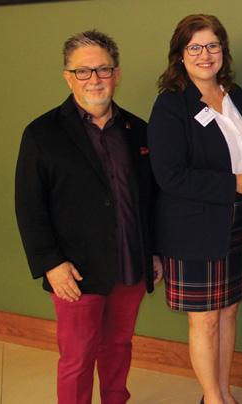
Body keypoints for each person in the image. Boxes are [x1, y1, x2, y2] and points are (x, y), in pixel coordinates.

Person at [14, 30, 161, 404]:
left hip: (130, 264)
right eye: (83, 71)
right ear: (68, 77)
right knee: (77, 358)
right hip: (75, 273)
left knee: (119, 346)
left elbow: (150, 200)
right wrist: (51, 264)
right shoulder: (42, 133)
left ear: (116, 74)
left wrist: (154, 252)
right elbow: (30, 207)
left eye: (103, 69)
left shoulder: (138, 130)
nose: (94, 79)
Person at [147, 14, 242, 404]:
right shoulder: (170, 104)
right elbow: (169, 175)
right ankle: (211, 398)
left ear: (223, 51)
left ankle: (224, 392)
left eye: (212, 45)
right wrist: (233, 184)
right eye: (194, 47)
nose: (204, 54)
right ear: (180, 55)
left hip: (238, 222)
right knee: (206, 320)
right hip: (194, 229)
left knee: (228, 313)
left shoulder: (235, 94)